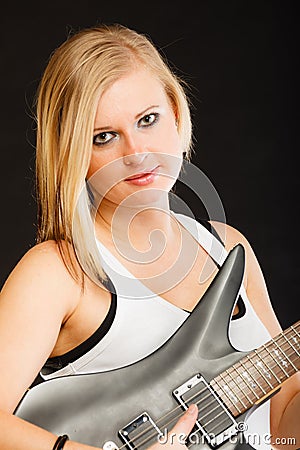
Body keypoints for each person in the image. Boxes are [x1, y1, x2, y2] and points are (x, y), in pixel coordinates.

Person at [0, 23, 299, 450]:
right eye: (104, 137)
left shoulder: (229, 247)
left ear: (176, 115)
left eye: (148, 120)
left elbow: (284, 422)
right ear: (73, 154)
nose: (136, 153)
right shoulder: (58, 272)